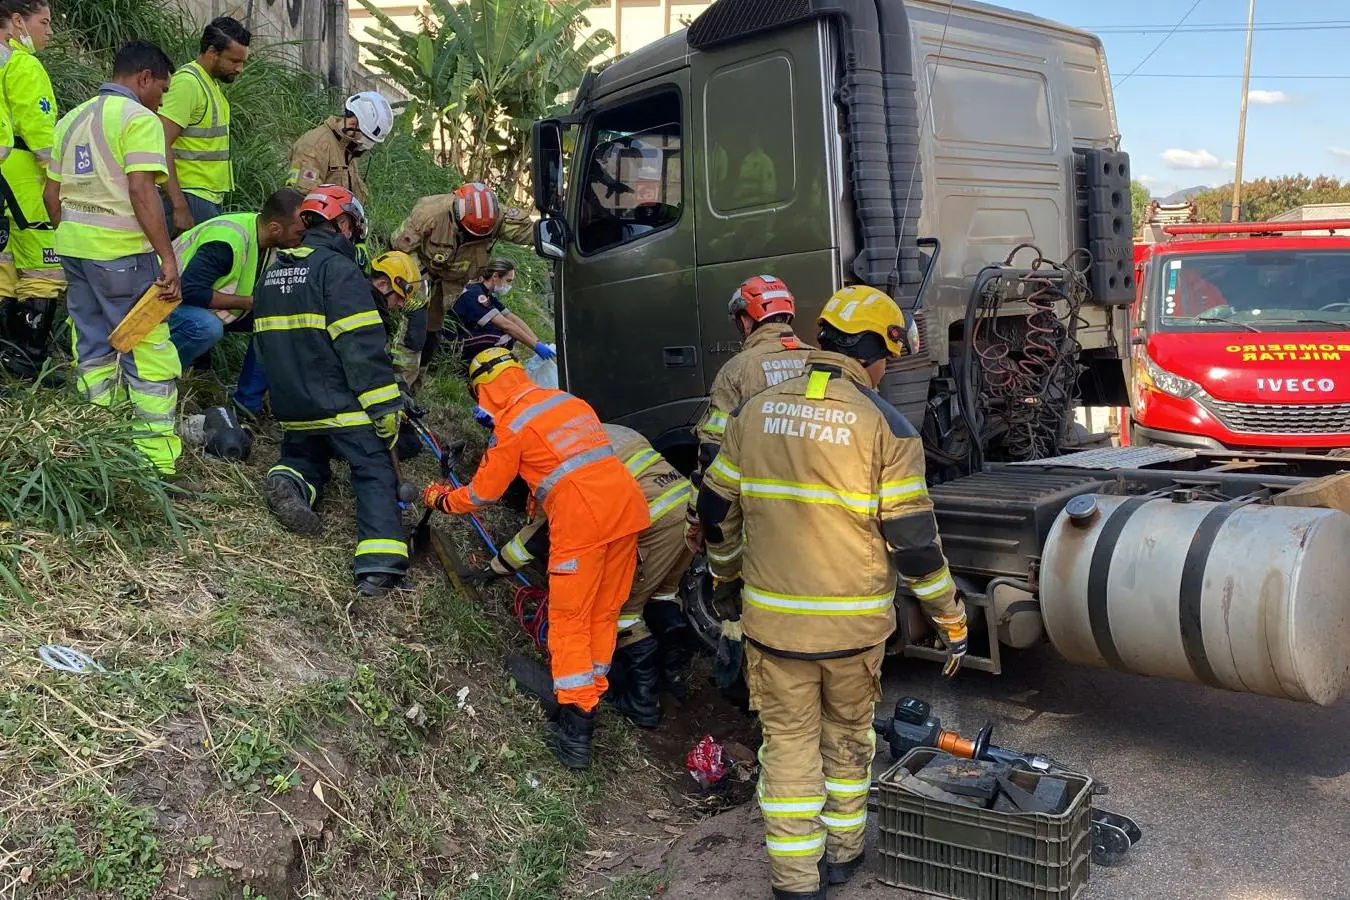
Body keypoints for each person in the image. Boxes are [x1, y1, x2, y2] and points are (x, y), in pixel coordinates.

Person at [698, 285, 969, 900]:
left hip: (774, 629)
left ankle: (797, 882)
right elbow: (916, 545)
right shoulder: (887, 427)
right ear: (876, 352)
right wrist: (950, 618)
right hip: (853, 634)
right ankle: (844, 855)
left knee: (789, 744)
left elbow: (715, 510)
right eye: (887, 358)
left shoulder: (754, 412)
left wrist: (726, 584)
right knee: (849, 738)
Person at [423, 348, 649, 769]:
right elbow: (572, 462)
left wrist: (441, 500)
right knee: (604, 612)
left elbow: (483, 494)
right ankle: (591, 694)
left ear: (485, 389)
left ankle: (576, 730)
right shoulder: (568, 401)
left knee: (569, 622)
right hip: (628, 512)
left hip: (583, 525)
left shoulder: (512, 426)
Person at [480, 423, 695, 727]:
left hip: (651, 518)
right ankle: (673, 679)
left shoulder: (554, 463)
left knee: (621, 610)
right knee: (662, 595)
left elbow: (540, 534)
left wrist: (496, 567)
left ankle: (643, 702)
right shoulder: (590, 430)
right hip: (686, 507)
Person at [253, 185, 409, 597]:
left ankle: (290, 480)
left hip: (293, 406)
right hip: (338, 403)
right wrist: (385, 409)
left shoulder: (271, 275)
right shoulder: (338, 272)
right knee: (373, 468)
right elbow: (361, 349)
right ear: (341, 223)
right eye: (352, 229)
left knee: (306, 454)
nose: (353, 238)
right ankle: (379, 564)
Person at [45, 41, 184, 479]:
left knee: (92, 347)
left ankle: (98, 440)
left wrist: (71, 234)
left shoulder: (70, 119)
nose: (161, 100)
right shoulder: (138, 120)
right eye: (161, 90)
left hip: (75, 251)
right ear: (144, 78)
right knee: (148, 350)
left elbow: (52, 194)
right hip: (122, 255)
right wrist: (166, 256)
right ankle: (156, 463)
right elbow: (142, 190)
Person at [687, 274, 812, 550]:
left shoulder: (737, 370)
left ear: (746, 319)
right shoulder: (816, 360)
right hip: (817, 509)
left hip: (760, 510)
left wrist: (696, 517)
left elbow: (712, 451)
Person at [166, 187, 306, 414]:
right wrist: (250, 302)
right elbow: (189, 290)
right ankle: (157, 377)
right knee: (206, 327)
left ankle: (247, 405)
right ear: (275, 228)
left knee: (275, 320)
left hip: (200, 305)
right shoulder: (228, 241)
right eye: (299, 233)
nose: (302, 239)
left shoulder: (267, 240)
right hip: (161, 303)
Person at [392, 182, 537, 389]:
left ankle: (413, 389)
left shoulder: (497, 219)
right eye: (469, 233)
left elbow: (531, 233)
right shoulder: (429, 214)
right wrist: (417, 283)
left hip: (449, 286)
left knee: (431, 337)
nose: (473, 239)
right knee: (414, 332)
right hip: (420, 276)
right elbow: (399, 250)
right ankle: (400, 387)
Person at [0, 0, 60, 371]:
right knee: (45, 270)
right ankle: (27, 360)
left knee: (4, 266)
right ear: (19, 21)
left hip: (4, 181)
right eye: (44, 21)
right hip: (24, 182)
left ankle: (7, 356)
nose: (48, 31)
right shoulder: (24, 64)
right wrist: (58, 176)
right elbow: (39, 132)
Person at [158, 16, 250, 236]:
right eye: (234, 61)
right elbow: (159, 144)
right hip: (189, 197)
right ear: (211, 53)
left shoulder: (209, 84)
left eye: (243, 62)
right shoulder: (188, 84)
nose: (240, 69)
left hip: (204, 198)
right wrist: (179, 204)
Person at [286, 91, 392, 203]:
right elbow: (304, 199)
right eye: (367, 139)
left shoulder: (346, 147)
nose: (368, 145)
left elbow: (355, 193)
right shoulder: (314, 147)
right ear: (352, 124)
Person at [446, 257, 545, 366]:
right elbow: (506, 325)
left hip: (467, 333)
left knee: (513, 334)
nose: (509, 286)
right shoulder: (475, 294)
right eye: (508, 281)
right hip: (451, 341)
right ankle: (468, 365)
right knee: (505, 337)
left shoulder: (487, 293)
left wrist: (537, 342)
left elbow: (511, 317)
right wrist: (535, 348)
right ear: (495, 276)